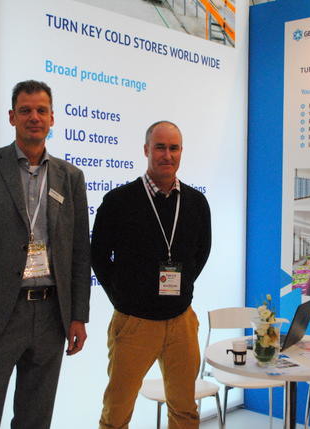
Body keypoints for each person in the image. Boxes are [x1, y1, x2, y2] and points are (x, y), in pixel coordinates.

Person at [0, 80, 91, 429]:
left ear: (52, 118)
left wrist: (78, 316)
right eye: (25, 110)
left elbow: (79, 252)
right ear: (12, 117)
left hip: (50, 316)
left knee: (35, 419)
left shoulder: (70, 177)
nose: (34, 117)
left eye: (42, 110)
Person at [91, 120, 211, 429]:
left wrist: (182, 287)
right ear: (146, 150)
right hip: (135, 323)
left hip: (181, 322)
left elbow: (202, 251)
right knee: (116, 413)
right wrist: (122, 298)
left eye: (174, 148)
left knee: (185, 411)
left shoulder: (196, 202)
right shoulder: (118, 201)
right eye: (160, 147)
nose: (167, 155)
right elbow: (98, 256)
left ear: (181, 152)